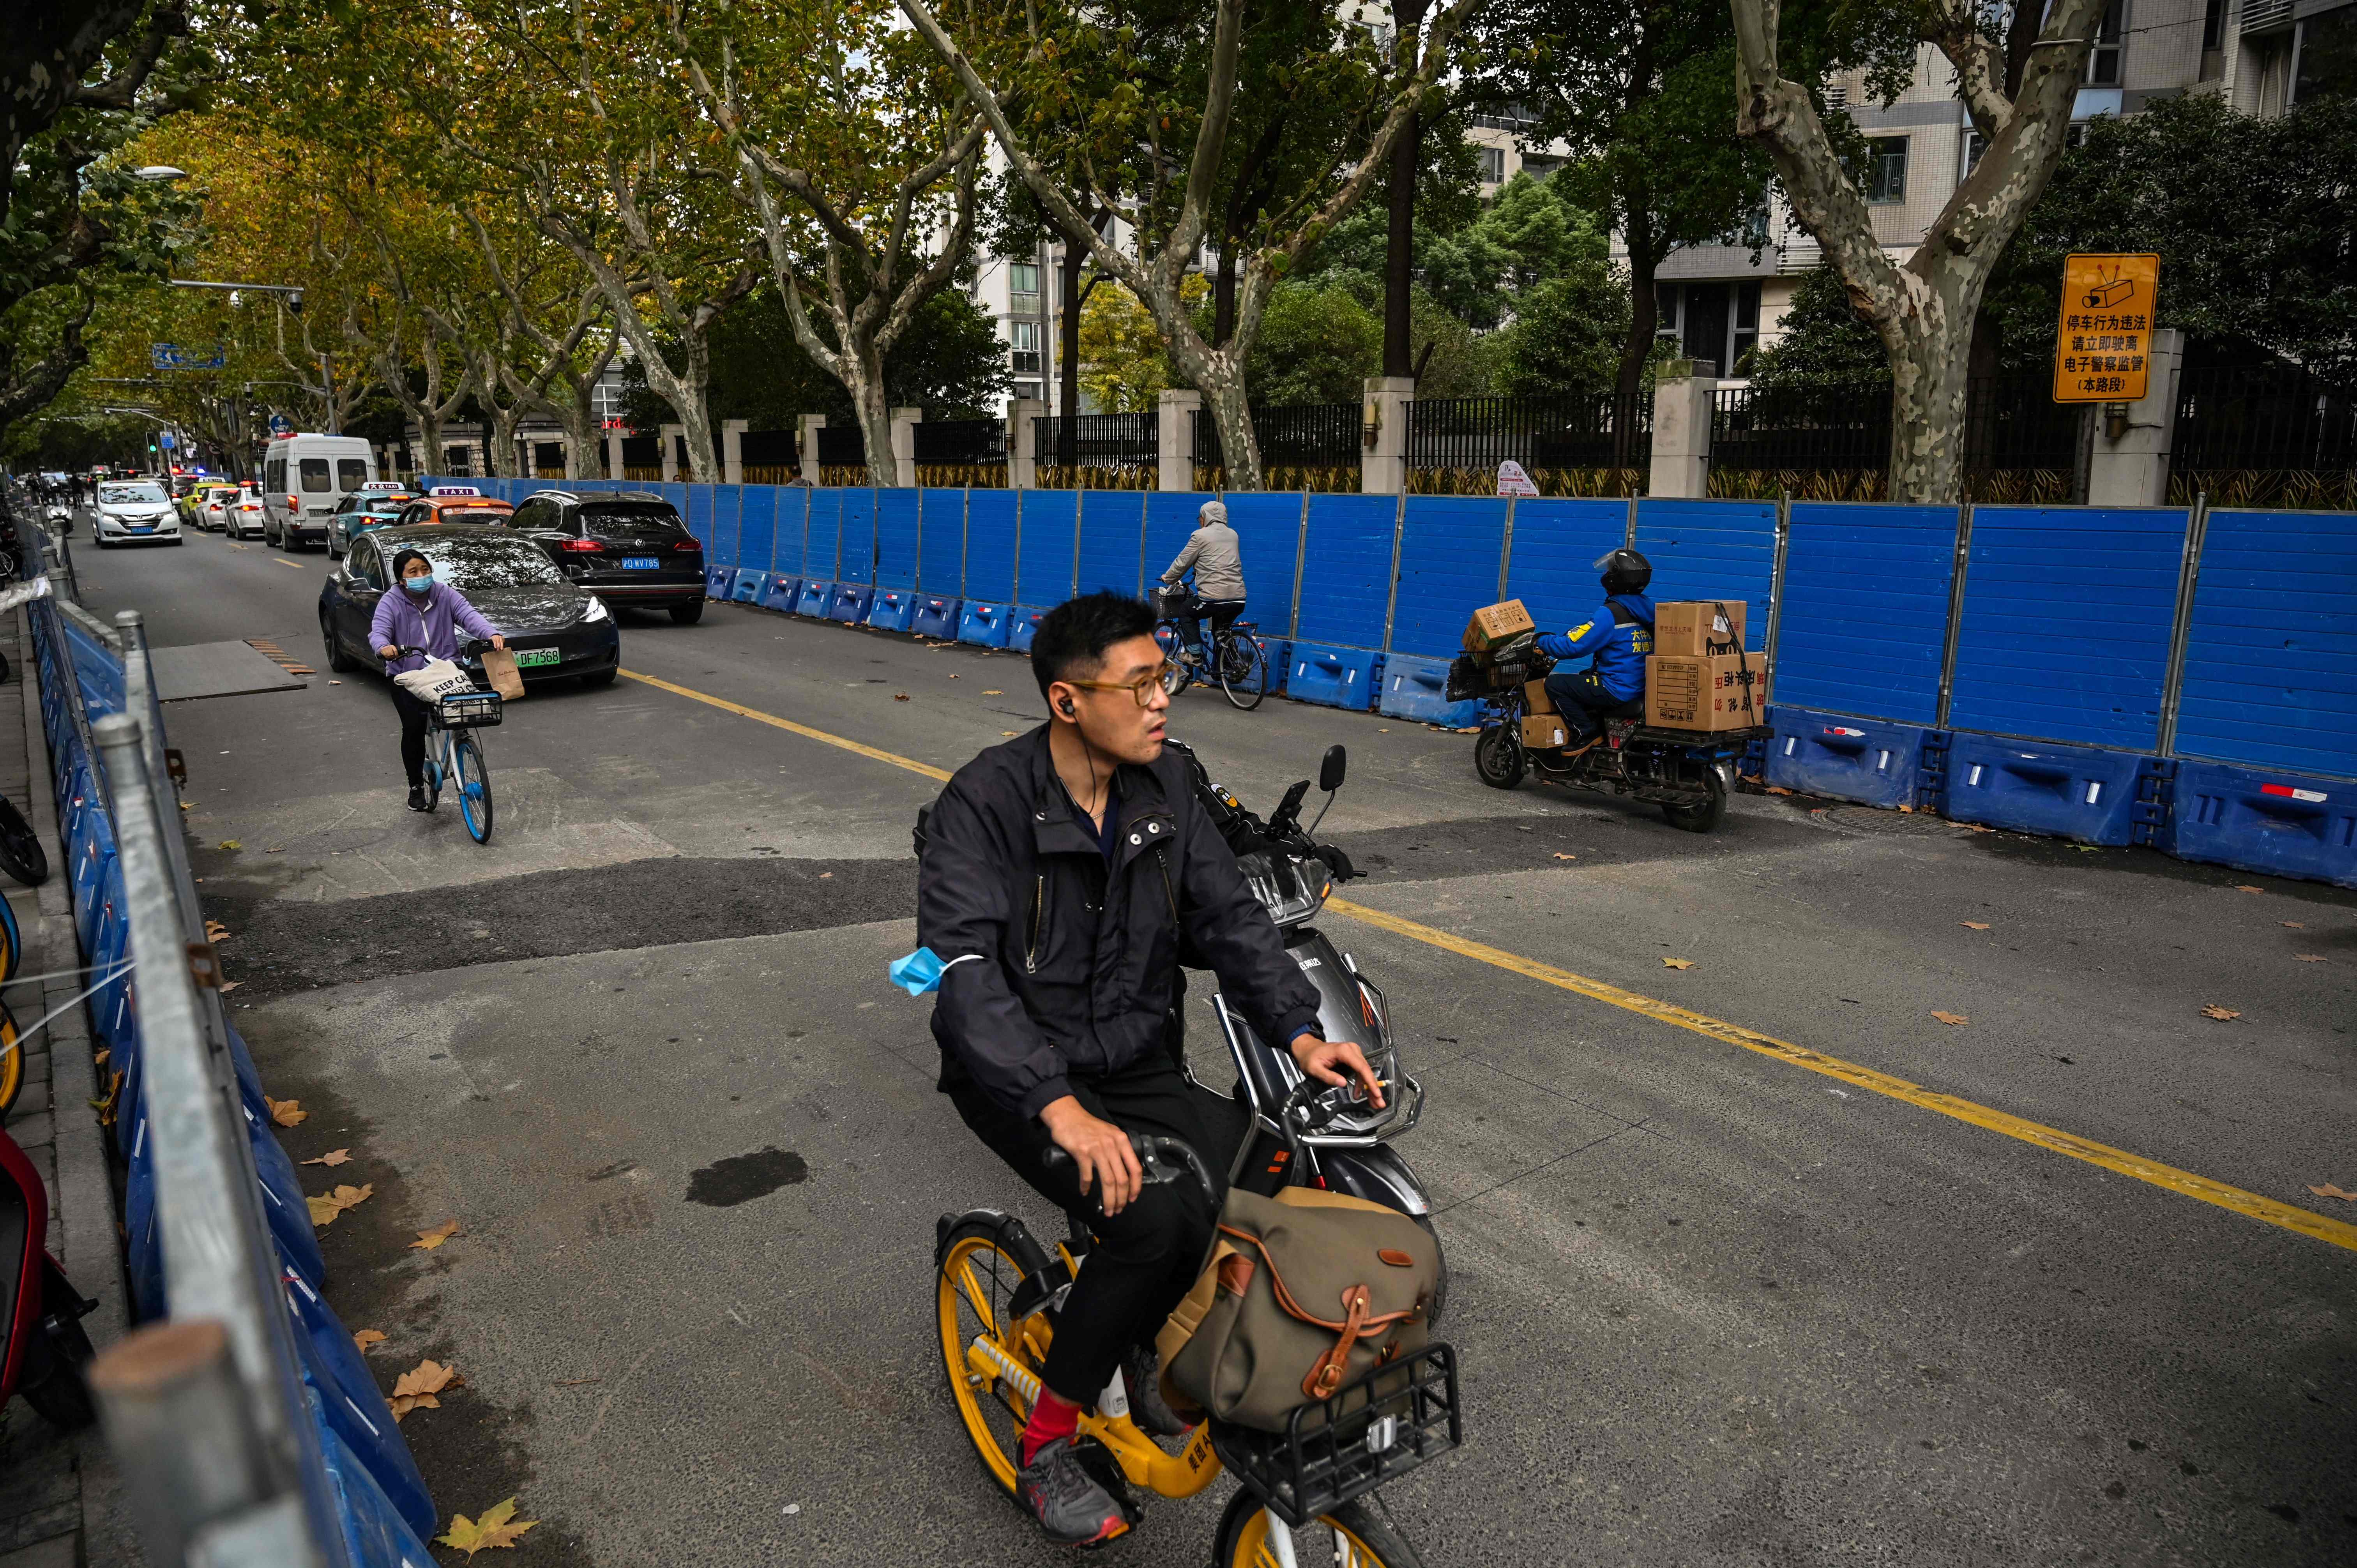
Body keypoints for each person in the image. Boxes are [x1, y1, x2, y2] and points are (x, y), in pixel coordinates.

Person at [916, 592, 1384, 1547]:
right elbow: (963, 974)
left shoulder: (1166, 784)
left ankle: (1132, 1335)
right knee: (1153, 1217)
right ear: (1067, 700)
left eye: (1163, 677)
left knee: (1266, 1171)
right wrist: (1059, 1106)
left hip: (1133, 1056)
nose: (1162, 699)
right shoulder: (985, 802)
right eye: (1138, 684)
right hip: (1021, 1076)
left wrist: (1300, 1031)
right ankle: (1048, 1441)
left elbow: (1229, 917)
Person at [371, 548, 504, 812]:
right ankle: (416, 787)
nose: (421, 575)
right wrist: (384, 647)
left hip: (445, 669)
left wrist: (491, 633)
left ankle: (461, 748)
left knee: (464, 715)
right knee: (413, 727)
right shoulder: (391, 602)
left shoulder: (444, 594)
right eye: (413, 572)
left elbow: (468, 615)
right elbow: (379, 631)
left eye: (425, 569)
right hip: (407, 675)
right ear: (401, 580)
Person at [1537, 547, 1656, 755]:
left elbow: (1573, 646)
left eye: (1609, 570)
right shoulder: (1648, 609)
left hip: (1617, 689)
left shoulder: (1611, 613)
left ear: (1616, 579)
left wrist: (1541, 641)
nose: (1606, 574)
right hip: (1641, 687)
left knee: (1556, 684)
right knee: (1585, 679)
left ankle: (1586, 733)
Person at [1157, 499, 1246, 664]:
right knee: (1221, 631)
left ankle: (1194, 655)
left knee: (1186, 611)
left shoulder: (1200, 536)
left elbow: (1182, 562)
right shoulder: (1233, 535)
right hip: (1238, 599)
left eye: (1200, 517)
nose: (1200, 521)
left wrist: (1168, 578)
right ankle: (1227, 668)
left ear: (1206, 517)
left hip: (1213, 599)